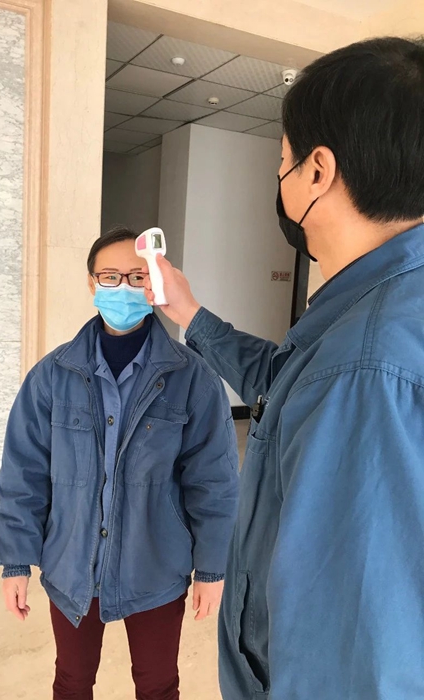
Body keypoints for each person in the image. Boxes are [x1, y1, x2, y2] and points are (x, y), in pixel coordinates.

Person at [144, 37, 424, 700]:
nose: (281, 182)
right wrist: (191, 313)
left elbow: (351, 656)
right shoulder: (379, 307)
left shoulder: (365, 364)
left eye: (281, 164)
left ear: (317, 171)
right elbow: (290, 385)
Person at [0, 226, 239, 700]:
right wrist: (15, 560)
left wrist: (212, 568)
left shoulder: (192, 377)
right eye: (110, 276)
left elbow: (214, 480)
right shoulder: (52, 375)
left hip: (156, 566)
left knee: (158, 685)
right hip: (72, 566)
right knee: (71, 682)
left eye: (137, 276)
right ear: (92, 283)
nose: (123, 287)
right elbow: (24, 472)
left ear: (154, 283)